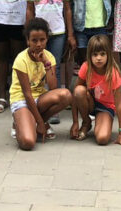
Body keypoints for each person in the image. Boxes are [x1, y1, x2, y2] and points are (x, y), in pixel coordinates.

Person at [10, 18, 73, 150]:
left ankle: (36, 122)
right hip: (22, 100)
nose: (38, 44)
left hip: (39, 98)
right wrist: (39, 123)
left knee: (66, 95)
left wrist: (46, 64)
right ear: (27, 41)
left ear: (47, 39)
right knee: (28, 143)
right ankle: (20, 122)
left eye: (42, 40)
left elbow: (53, 87)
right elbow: (27, 95)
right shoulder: (21, 59)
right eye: (34, 40)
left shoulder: (49, 56)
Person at [26, 0, 74, 94]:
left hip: (58, 32)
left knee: (55, 66)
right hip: (38, 35)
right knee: (37, 64)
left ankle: (55, 98)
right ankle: (39, 96)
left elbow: (67, 10)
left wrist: (70, 35)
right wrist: (28, 34)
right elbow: (29, 10)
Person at [70, 35, 121, 146]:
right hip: (90, 102)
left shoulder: (113, 73)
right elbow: (75, 95)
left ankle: (100, 121)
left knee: (102, 139)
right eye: (95, 54)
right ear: (90, 55)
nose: (99, 58)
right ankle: (86, 123)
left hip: (106, 107)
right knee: (79, 90)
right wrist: (75, 122)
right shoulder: (86, 67)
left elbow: (119, 105)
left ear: (108, 55)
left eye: (102, 54)